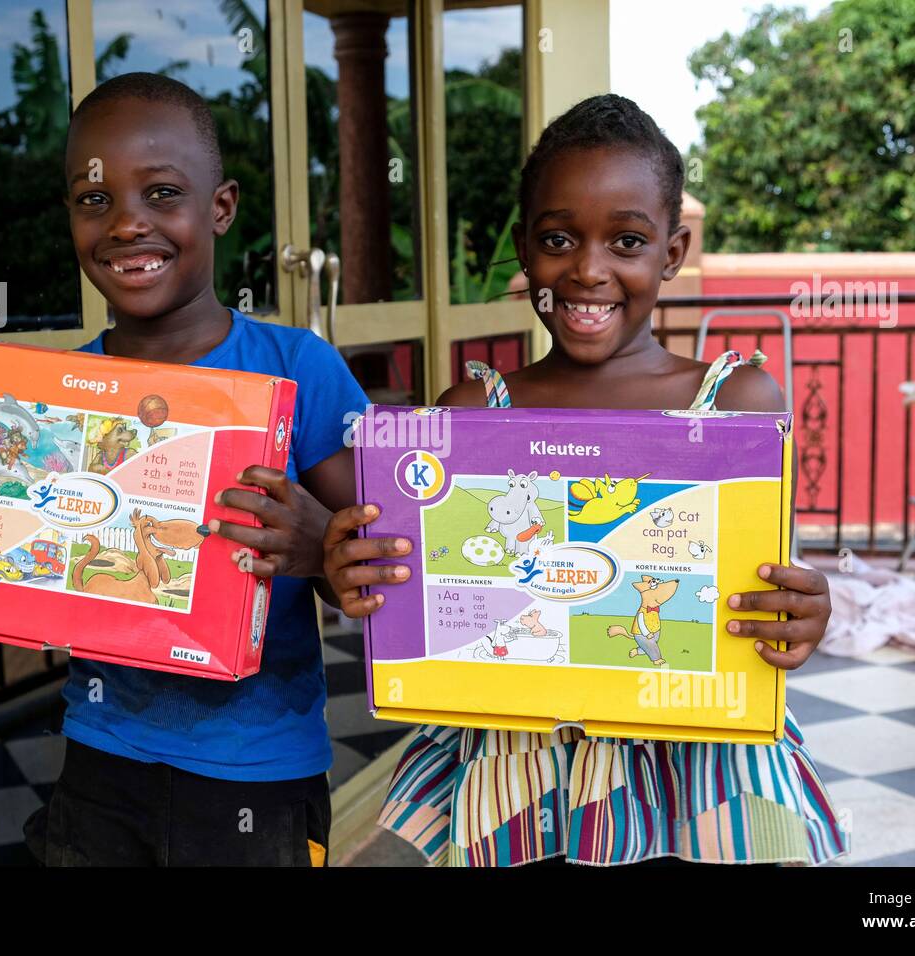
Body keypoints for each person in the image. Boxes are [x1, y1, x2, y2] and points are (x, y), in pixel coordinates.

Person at [322, 94, 848, 868]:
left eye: (627, 240)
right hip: (514, 764)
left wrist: (804, 612)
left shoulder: (737, 404)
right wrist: (353, 577)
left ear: (672, 253)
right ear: (526, 251)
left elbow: (769, 581)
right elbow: (410, 597)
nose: (589, 269)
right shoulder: (469, 414)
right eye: (558, 239)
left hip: (695, 768)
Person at [0, 73, 369, 866]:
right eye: (94, 201)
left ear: (222, 207)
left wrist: (317, 547)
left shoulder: (298, 369)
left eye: (162, 193)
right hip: (103, 755)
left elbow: (383, 580)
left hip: (256, 773)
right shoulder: (60, 400)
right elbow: (4, 554)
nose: (128, 224)